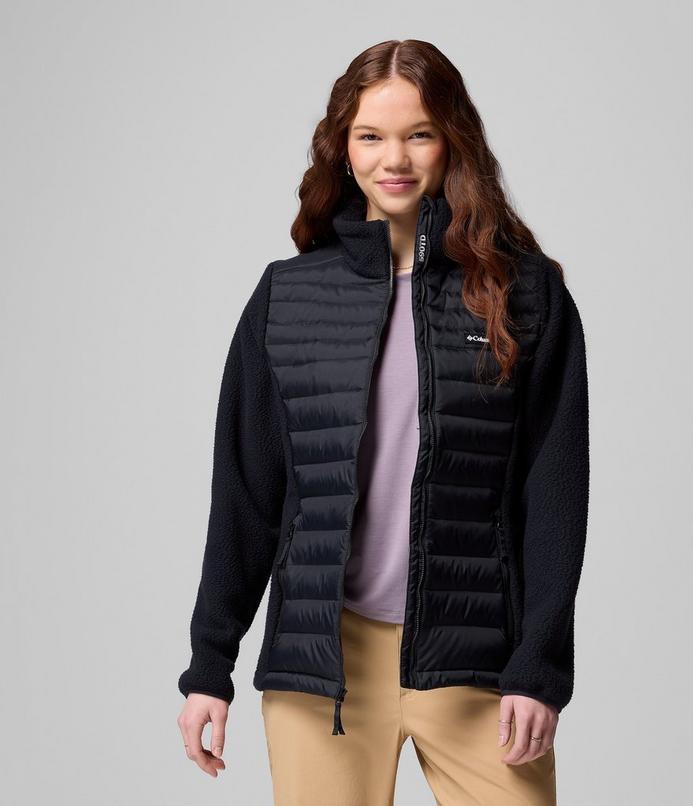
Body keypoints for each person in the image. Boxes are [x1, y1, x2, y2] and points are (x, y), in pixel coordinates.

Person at [177, 39, 589, 806]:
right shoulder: (287, 298)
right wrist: (210, 665)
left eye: (418, 134)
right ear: (343, 147)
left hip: (477, 664)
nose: (393, 158)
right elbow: (245, 495)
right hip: (323, 670)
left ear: (453, 142)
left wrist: (540, 666)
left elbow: (555, 498)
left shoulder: (525, 297)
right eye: (370, 136)